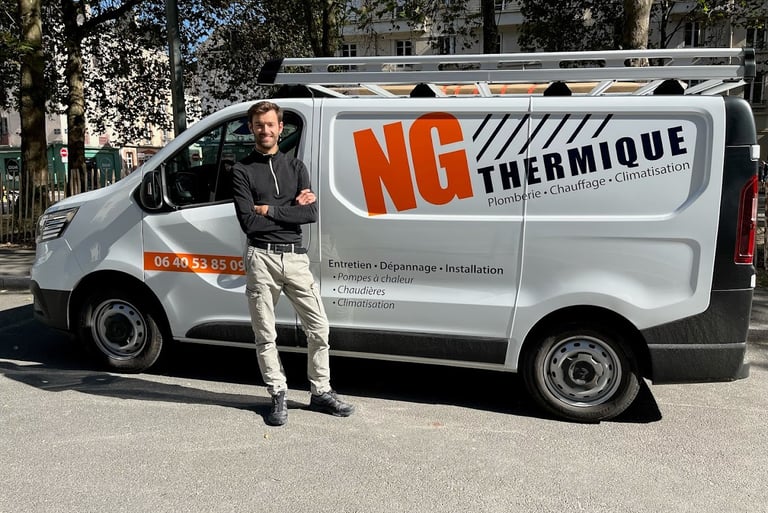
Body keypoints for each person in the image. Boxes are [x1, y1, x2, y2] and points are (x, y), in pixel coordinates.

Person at [231, 100, 355, 426]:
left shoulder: (297, 167)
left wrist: (268, 209)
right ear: (252, 128)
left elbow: (310, 213)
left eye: (270, 124)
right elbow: (248, 222)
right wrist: (289, 211)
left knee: (319, 328)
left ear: (280, 128)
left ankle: (321, 391)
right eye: (259, 125)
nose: (265, 130)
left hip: (295, 258)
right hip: (261, 258)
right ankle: (278, 393)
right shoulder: (242, 170)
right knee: (265, 333)